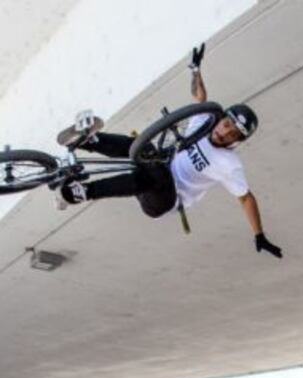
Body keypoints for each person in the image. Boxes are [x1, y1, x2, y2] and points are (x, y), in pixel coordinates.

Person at [54, 42, 283, 260]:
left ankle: (83, 192)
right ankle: (88, 140)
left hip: (165, 200)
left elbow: (246, 198)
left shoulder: (229, 164)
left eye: (233, 134)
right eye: (226, 125)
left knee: (157, 172)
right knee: (145, 148)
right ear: (221, 118)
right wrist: (195, 70)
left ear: (238, 141)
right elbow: (199, 97)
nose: (224, 133)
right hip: (153, 173)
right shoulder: (204, 120)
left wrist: (259, 235)